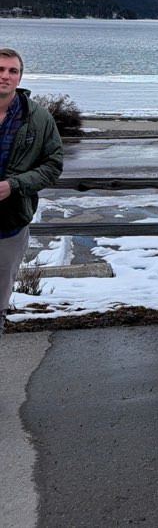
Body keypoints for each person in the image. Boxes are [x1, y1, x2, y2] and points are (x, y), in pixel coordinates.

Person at [0, 48, 63, 337]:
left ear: (20, 77)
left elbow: (52, 165)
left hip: (10, 224)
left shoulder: (38, 118)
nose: (5, 76)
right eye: (0, 69)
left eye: (12, 71)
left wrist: (14, 185)